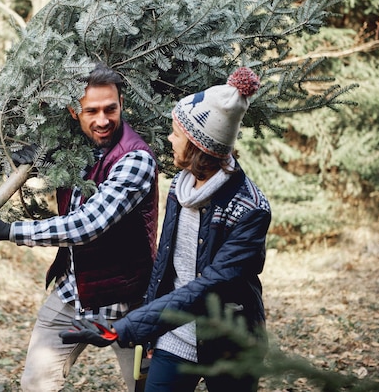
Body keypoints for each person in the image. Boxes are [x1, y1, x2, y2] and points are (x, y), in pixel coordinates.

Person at [60, 67, 271, 392]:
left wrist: (126, 328)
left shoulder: (251, 209)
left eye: (177, 133)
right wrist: (150, 329)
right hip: (175, 338)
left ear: (199, 144)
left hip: (231, 345)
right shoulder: (180, 187)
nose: (170, 139)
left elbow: (207, 287)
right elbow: (166, 264)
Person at [0, 63, 159, 391]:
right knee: (36, 383)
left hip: (127, 300)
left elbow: (88, 223)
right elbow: (69, 173)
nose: (103, 120)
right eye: (91, 110)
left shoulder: (135, 159)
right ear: (73, 110)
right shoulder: (75, 145)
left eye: (111, 108)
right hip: (73, 292)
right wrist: (34, 159)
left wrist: (9, 231)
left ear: (122, 102)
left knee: (147, 387)